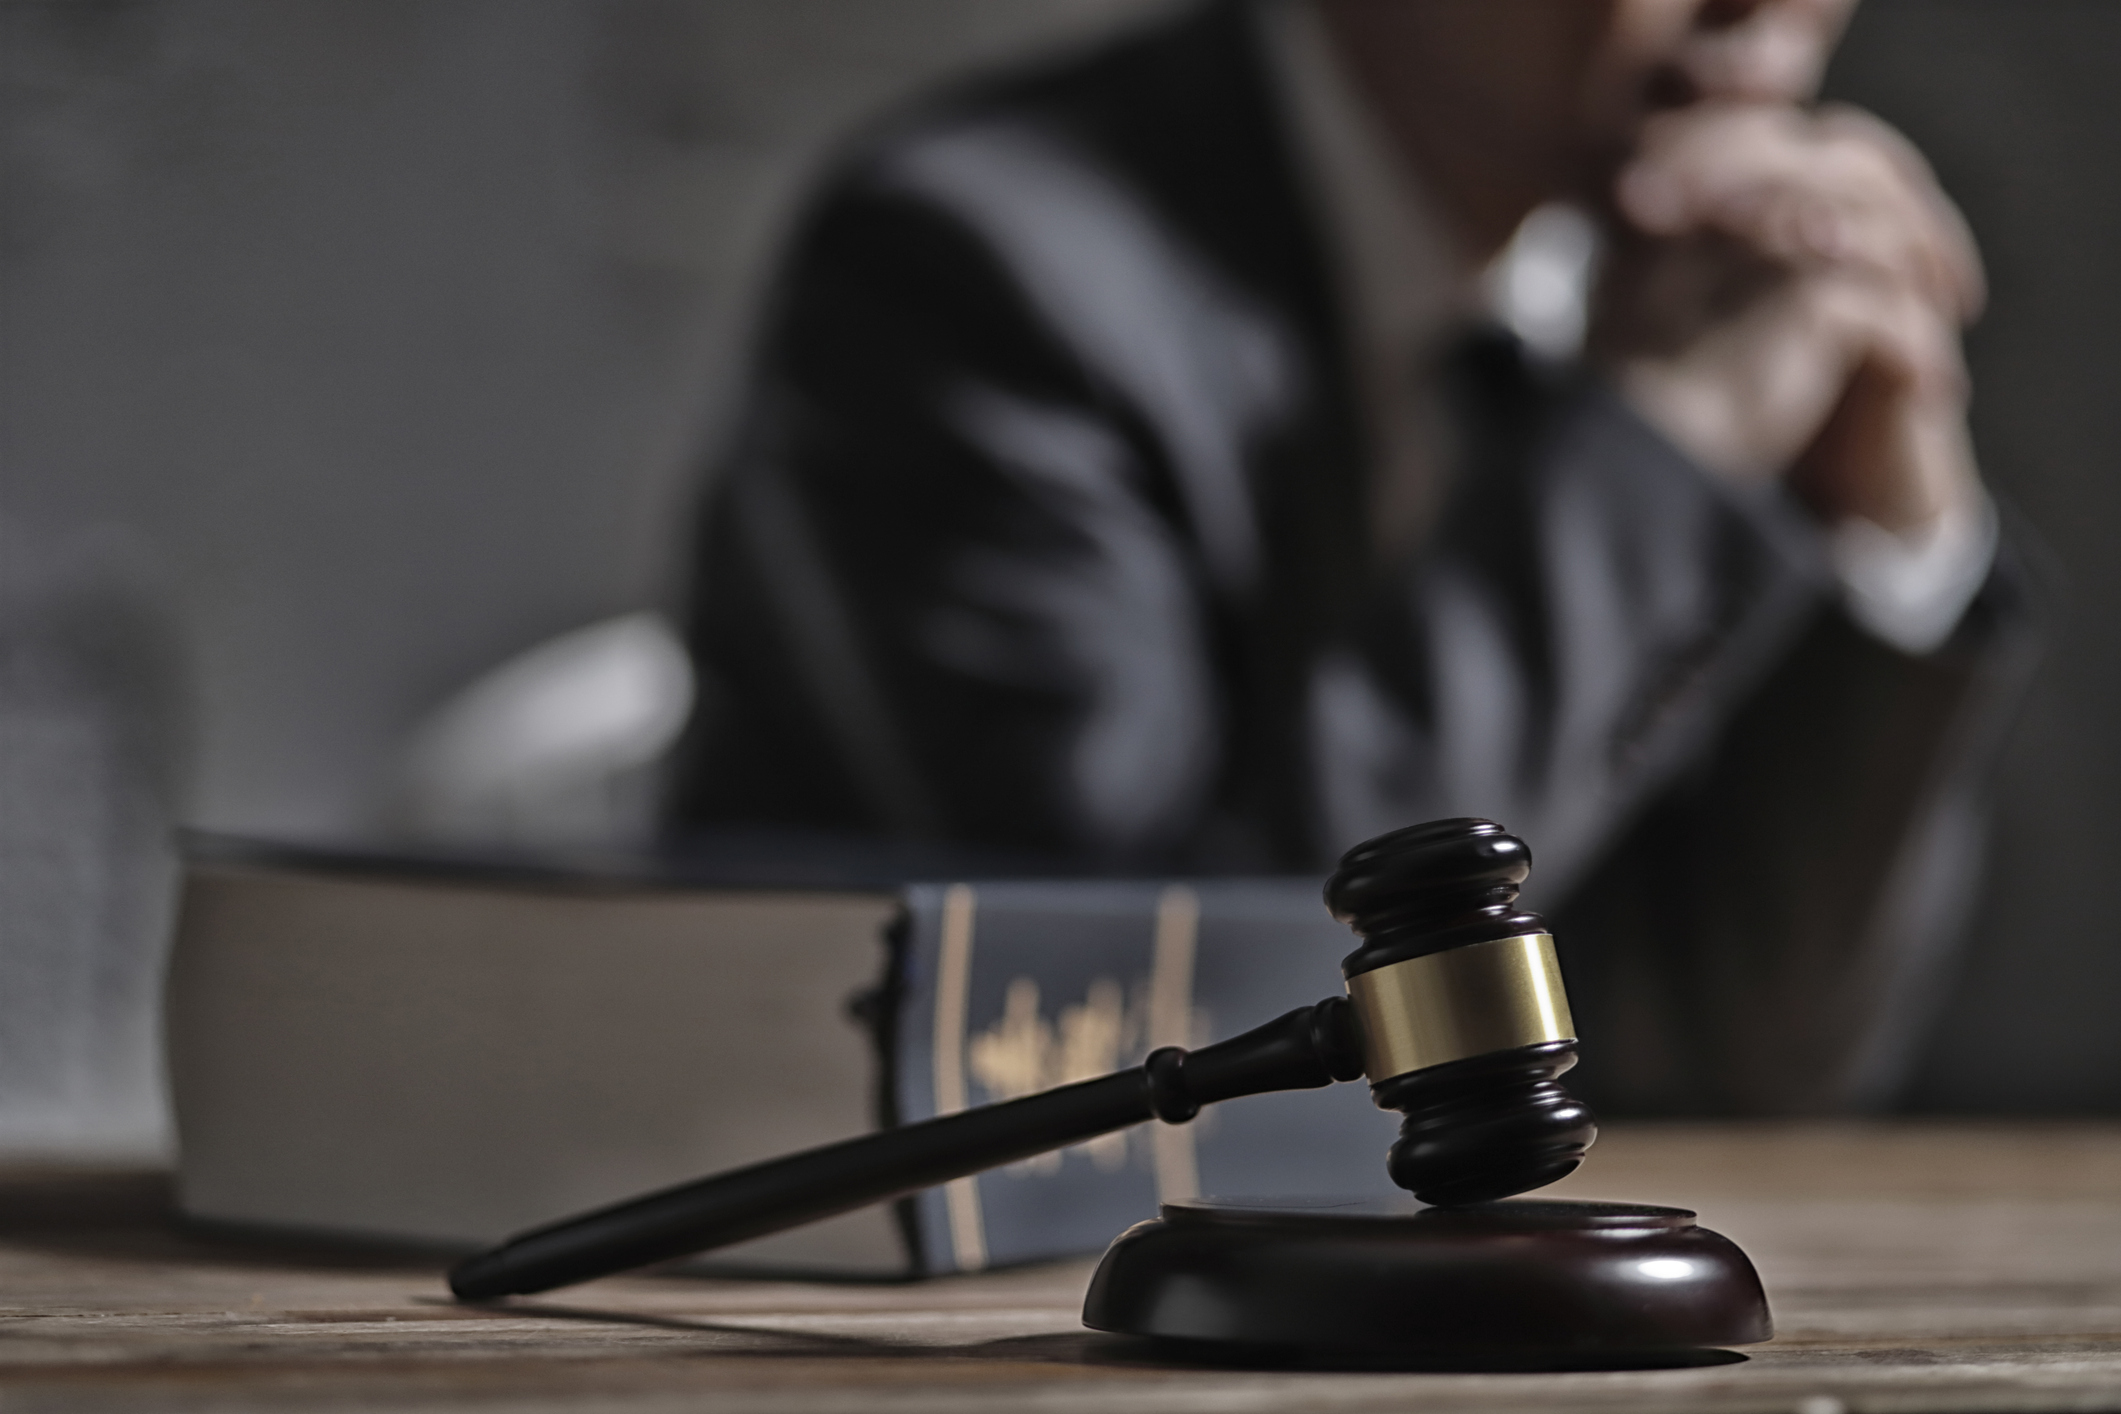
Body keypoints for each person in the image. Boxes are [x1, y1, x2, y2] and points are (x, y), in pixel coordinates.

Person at [668, 0, 2036, 1114]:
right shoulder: (967, 271)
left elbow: (1740, 1065)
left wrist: (1890, 550)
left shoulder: (1680, 275)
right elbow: (1175, 1033)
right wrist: (1646, 450)